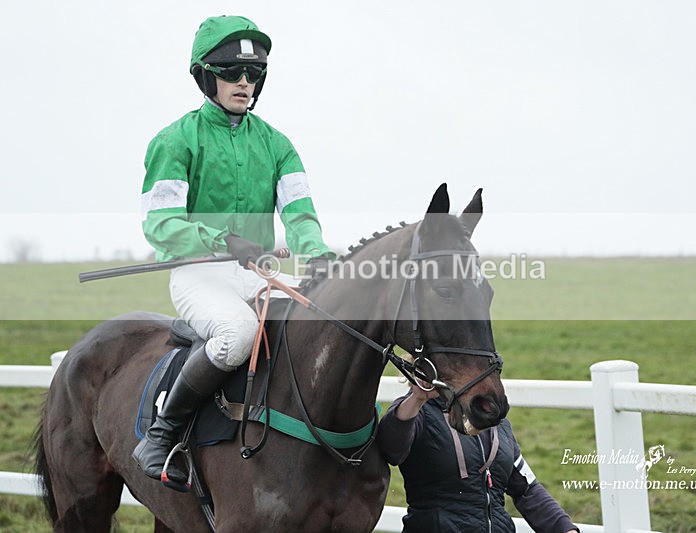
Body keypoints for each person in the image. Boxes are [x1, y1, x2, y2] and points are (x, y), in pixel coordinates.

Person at [133, 15, 335, 485]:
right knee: (239, 334)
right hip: (198, 276)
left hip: (255, 275)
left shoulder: (278, 145)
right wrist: (222, 240)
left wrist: (318, 254)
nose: (244, 82)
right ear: (206, 75)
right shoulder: (175, 140)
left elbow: (300, 215)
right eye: (231, 73)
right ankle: (162, 434)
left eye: (254, 75)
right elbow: (160, 224)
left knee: (318, 328)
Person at [378, 383, 580, 533]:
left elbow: (527, 489)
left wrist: (565, 529)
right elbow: (390, 449)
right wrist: (417, 399)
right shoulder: (417, 410)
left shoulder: (494, 419)